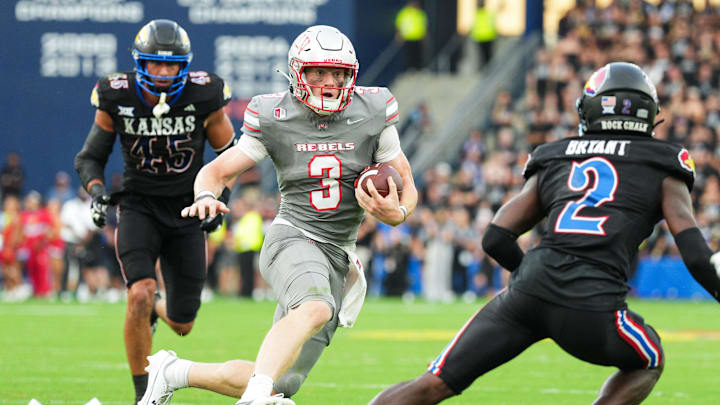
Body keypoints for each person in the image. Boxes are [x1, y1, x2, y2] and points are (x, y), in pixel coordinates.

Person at [368, 62, 720, 405]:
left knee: (433, 384)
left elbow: (495, 238)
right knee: (649, 358)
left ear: (589, 110)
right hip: (592, 301)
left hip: (528, 292)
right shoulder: (664, 161)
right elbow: (693, 252)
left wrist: (531, 280)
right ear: (649, 113)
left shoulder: (556, 154)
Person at [139, 24, 418, 405]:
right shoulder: (273, 114)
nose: (329, 82)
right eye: (318, 71)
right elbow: (218, 170)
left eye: (337, 73)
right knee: (315, 308)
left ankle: (173, 372)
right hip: (294, 236)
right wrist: (205, 194)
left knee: (281, 381)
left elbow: (406, 182)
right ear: (296, 72)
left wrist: (398, 212)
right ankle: (254, 400)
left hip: (338, 253)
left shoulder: (371, 111)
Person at [73, 19, 236, 403]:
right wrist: (97, 193)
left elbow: (231, 157)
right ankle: (144, 394)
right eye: (155, 64)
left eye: (172, 65)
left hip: (189, 209)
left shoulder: (205, 94)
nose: (163, 73)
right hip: (138, 207)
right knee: (140, 291)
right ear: (139, 63)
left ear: (186, 66)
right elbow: (90, 158)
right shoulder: (117, 95)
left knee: (182, 323)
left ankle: (156, 310)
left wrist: (214, 196)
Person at [395, 1, 428, 71]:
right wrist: (399, 34)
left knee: (418, 55)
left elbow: (424, 26)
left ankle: (418, 70)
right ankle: (409, 70)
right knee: (408, 55)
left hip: (418, 38)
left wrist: (425, 36)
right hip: (408, 38)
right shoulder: (404, 13)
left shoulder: (420, 13)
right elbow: (398, 24)